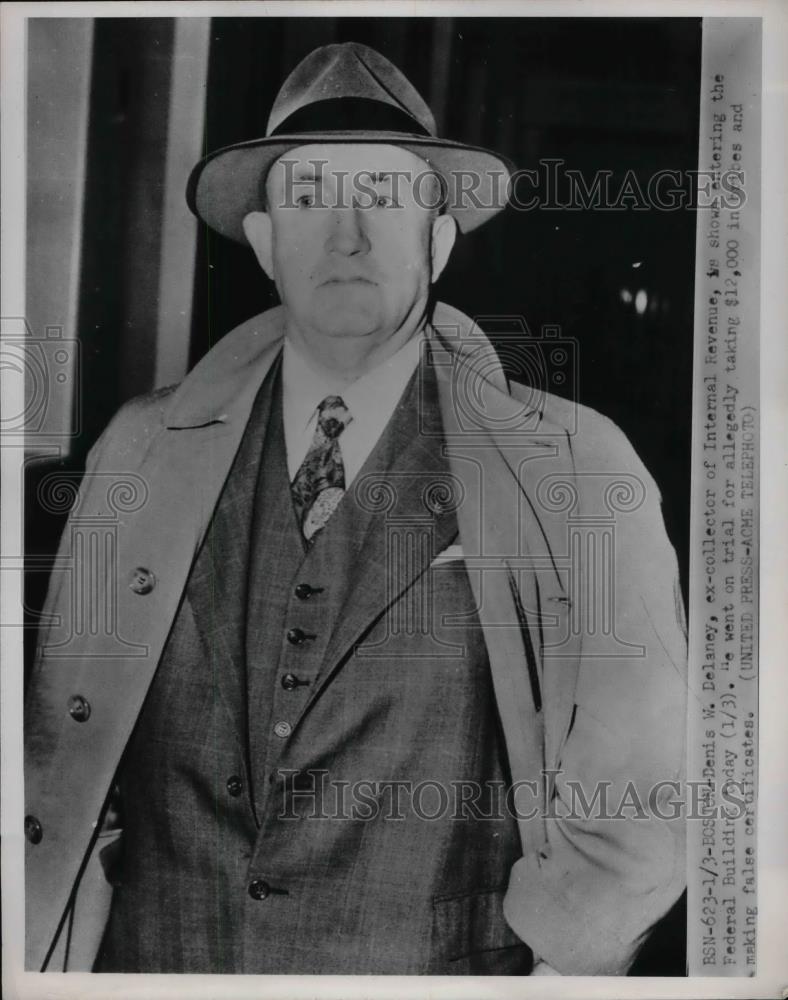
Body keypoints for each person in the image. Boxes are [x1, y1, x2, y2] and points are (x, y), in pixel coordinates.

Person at [24, 42, 687, 976]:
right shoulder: (138, 449)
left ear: (439, 241)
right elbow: (59, 740)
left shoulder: (571, 467)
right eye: (309, 198)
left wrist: (565, 968)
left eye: (385, 196)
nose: (347, 234)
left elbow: (641, 791)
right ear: (263, 242)